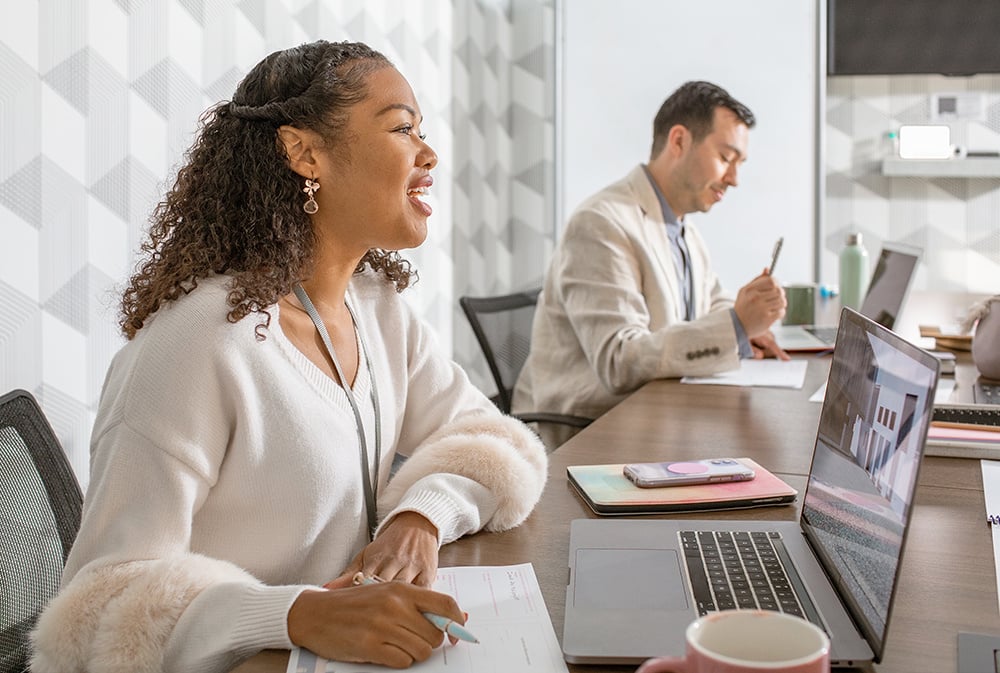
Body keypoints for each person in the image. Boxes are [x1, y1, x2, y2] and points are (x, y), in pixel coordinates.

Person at [30, 40, 547, 673]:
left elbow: (499, 441)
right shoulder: (196, 342)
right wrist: (292, 614)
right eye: (403, 128)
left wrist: (420, 515)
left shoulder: (375, 307)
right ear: (304, 153)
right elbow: (93, 609)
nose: (429, 153)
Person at [513, 80, 788, 428]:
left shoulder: (683, 228)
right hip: (596, 434)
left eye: (739, 163)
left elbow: (710, 305)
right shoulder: (600, 223)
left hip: (660, 419)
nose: (733, 178)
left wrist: (745, 329)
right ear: (679, 141)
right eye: (725, 158)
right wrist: (734, 326)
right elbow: (620, 361)